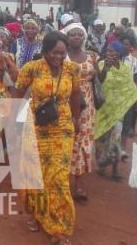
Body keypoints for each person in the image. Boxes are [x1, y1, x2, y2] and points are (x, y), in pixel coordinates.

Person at [13, 31, 81, 245]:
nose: (59, 58)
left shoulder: (72, 69)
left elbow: (76, 94)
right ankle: (36, 214)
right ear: (45, 51)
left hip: (62, 128)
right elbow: (18, 92)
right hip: (36, 128)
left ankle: (59, 228)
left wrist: (77, 119)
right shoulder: (31, 68)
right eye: (54, 53)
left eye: (62, 53)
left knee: (59, 178)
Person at [62, 23, 99, 202]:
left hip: (88, 105)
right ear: (67, 37)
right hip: (66, 100)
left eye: (79, 34)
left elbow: (98, 79)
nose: (76, 37)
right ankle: (62, 180)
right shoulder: (61, 56)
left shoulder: (91, 56)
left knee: (83, 141)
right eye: (72, 34)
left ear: (84, 37)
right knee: (66, 139)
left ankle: (79, 183)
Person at [94, 41, 137, 180]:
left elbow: (129, 87)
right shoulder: (101, 65)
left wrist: (136, 102)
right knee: (101, 138)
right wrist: (106, 69)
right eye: (108, 51)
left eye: (113, 51)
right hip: (103, 108)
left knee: (116, 139)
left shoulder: (126, 69)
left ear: (119, 53)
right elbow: (98, 83)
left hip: (118, 110)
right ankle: (101, 164)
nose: (109, 53)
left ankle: (115, 169)